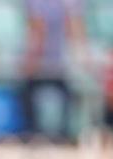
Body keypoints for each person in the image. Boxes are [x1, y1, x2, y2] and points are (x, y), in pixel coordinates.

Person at [21, 0, 86, 141]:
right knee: (29, 92)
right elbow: (38, 30)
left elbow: (74, 30)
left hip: (59, 62)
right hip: (47, 62)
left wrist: (32, 59)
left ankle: (52, 133)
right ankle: (38, 132)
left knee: (67, 94)